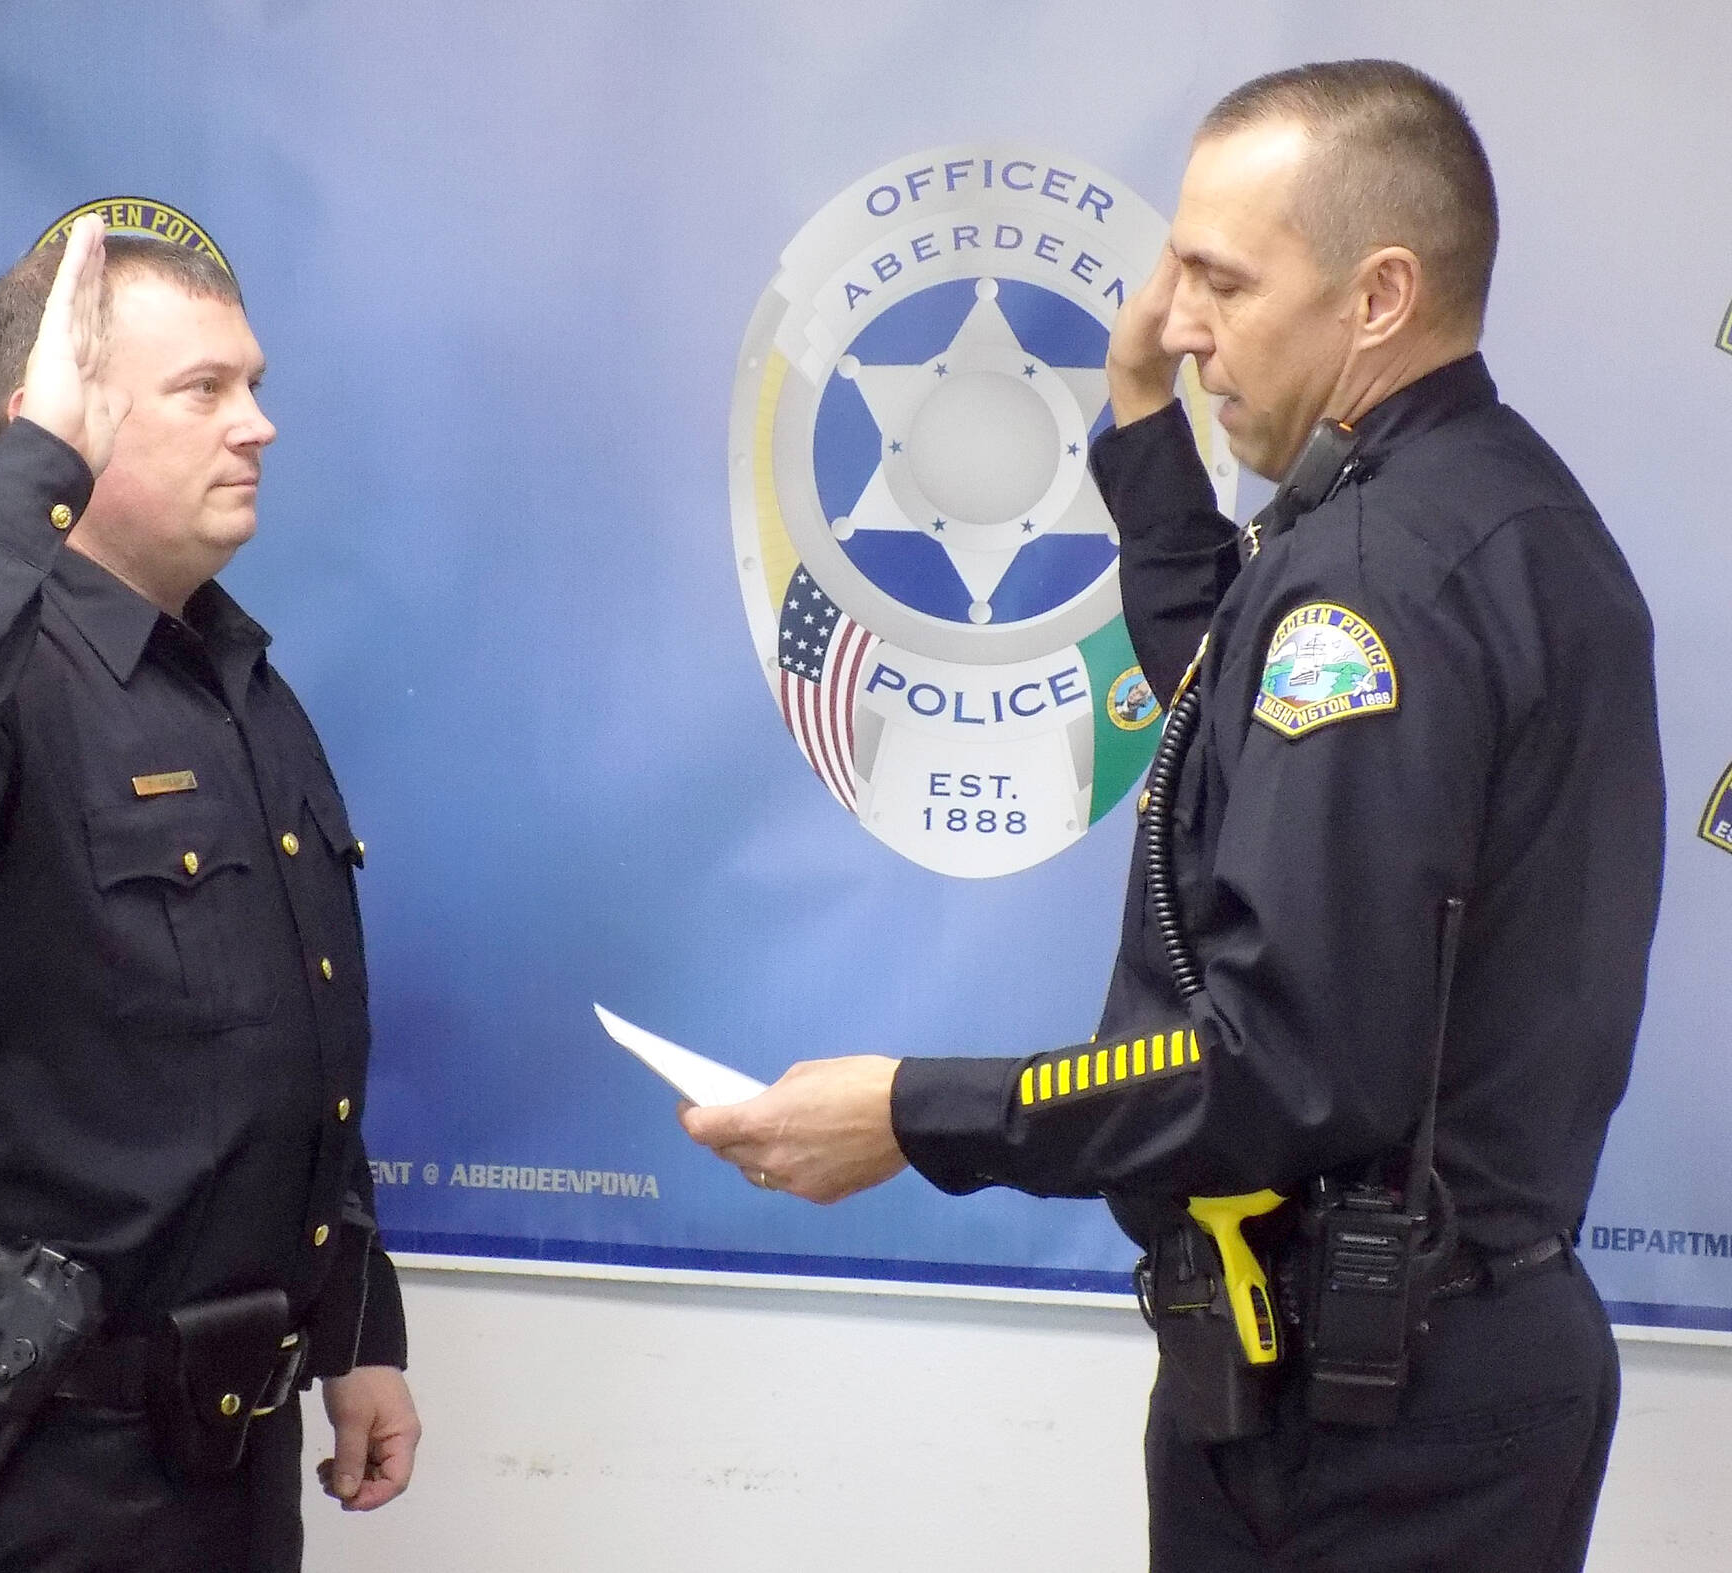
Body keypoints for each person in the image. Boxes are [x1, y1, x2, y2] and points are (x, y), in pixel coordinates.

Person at [683, 60, 1662, 1573]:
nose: (1179, 316)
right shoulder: (1486, 514)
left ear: (1380, 295)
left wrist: (909, 1110)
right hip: (1427, 1372)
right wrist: (1144, 413)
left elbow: (1277, 1064)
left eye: (1220, 277)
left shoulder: (1371, 578)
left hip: (1366, 1424)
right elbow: (1231, 699)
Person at [0, 214, 420, 1572]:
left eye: (254, 384)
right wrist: (35, 478)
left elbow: (299, 1046)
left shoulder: (243, 688)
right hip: (31, 1473)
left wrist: (357, 1330)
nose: (255, 425)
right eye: (204, 390)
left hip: (230, 1464)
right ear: (57, 425)